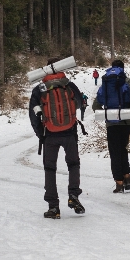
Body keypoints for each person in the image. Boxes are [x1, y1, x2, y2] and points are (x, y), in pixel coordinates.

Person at [29, 58, 85, 219]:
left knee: (50, 169)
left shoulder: (39, 89)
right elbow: (80, 104)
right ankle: (74, 196)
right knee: (73, 164)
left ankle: (53, 207)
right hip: (69, 132)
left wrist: (41, 133)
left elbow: (33, 115)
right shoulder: (68, 85)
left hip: (50, 135)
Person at [93, 60, 130, 193]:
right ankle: (127, 177)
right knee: (122, 148)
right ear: (123, 68)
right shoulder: (127, 80)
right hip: (127, 121)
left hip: (112, 122)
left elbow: (95, 105)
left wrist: (104, 112)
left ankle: (119, 182)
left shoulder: (106, 81)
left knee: (115, 151)